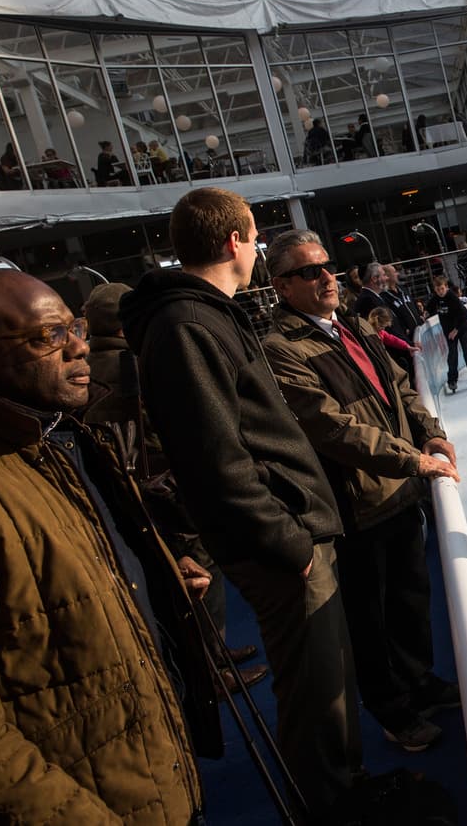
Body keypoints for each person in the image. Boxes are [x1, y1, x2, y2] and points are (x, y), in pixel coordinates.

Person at [119, 187, 364, 820]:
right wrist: (286, 542)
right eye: (255, 238)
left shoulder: (207, 314)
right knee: (314, 692)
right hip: (279, 546)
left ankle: (344, 792)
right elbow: (214, 460)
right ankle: (330, 808)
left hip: (289, 532)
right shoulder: (184, 325)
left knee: (329, 682)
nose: (257, 249)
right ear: (235, 241)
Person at [0, 271, 218, 824]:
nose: (78, 343)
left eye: (74, 325)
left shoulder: (61, 441)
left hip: (154, 773)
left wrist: (154, 577)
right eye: (48, 336)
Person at [261, 230, 463, 754]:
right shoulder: (281, 350)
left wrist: (430, 432)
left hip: (400, 494)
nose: (328, 276)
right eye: (310, 271)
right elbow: (331, 428)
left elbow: (399, 386)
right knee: (369, 621)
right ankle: (393, 710)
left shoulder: (350, 323)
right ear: (282, 286)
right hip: (355, 507)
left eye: (327, 266)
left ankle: (419, 682)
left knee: (410, 601)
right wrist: (413, 459)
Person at [81, 282, 269, 697]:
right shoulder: (134, 365)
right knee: (199, 576)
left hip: (132, 497)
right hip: (166, 493)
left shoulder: (89, 368)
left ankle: (214, 655)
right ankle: (210, 668)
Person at [423, 274, 467, 393]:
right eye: (438, 289)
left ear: (446, 287)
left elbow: (464, 314)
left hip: (461, 328)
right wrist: (425, 313)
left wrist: (456, 330)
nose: (440, 292)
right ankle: (452, 380)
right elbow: (428, 307)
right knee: (452, 355)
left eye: (442, 289)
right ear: (435, 289)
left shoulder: (452, 298)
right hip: (449, 332)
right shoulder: (435, 298)